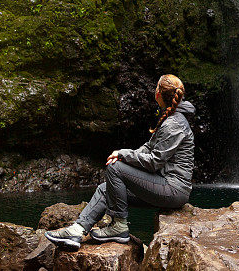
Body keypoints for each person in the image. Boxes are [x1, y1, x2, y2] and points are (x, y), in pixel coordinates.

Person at [45, 74, 195, 250]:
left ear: (158, 95)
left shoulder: (174, 123)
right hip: (165, 186)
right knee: (105, 188)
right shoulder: (171, 117)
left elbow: (155, 162)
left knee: (115, 167)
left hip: (173, 189)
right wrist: (125, 155)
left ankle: (119, 226)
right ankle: (77, 231)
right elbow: (148, 148)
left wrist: (123, 155)